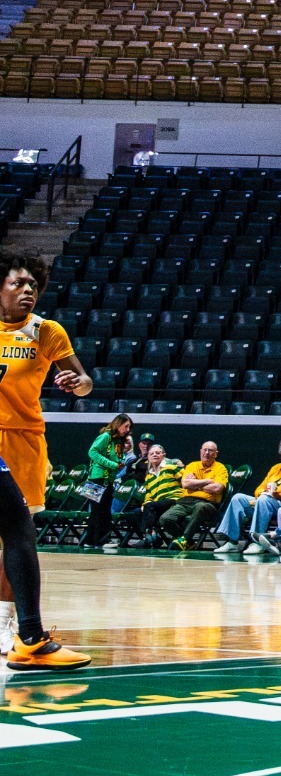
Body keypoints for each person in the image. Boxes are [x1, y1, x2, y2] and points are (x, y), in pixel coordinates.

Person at [0, 253, 92, 665]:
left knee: (15, 536)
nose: (28, 290)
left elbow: (86, 382)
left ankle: (8, 623)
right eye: (18, 283)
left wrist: (78, 383)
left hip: (24, 441)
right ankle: (28, 633)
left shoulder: (45, 331)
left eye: (33, 285)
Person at [214, 435, 281, 556]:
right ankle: (232, 543)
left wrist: (278, 496)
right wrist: (263, 492)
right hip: (265, 501)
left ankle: (257, 541)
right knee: (238, 498)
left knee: (264, 500)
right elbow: (258, 489)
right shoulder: (276, 468)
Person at [157, 439, 228, 544]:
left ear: (216, 454)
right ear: (200, 451)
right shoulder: (192, 465)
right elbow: (185, 484)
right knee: (165, 518)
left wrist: (195, 483)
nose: (207, 453)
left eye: (210, 451)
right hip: (186, 501)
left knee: (200, 507)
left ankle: (184, 540)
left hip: (208, 503)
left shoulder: (221, 468)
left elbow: (217, 488)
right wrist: (208, 481)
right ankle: (188, 542)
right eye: (205, 450)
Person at [83, 413, 133, 550]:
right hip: (97, 478)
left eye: (129, 427)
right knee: (99, 510)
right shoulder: (105, 436)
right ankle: (100, 540)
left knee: (101, 511)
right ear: (118, 424)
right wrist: (112, 465)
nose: (128, 429)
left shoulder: (118, 442)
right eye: (126, 426)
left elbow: (118, 460)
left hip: (108, 479)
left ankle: (91, 540)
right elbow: (92, 452)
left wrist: (125, 453)